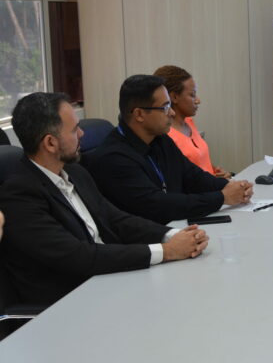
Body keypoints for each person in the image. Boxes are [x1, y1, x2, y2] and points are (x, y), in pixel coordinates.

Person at [0, 93, 209, 306]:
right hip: (72, 302)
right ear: (50, 143)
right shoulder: (19, 196)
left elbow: (116, 219)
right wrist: (167, 251)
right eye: (74, 129)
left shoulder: (75, 172)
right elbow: (79, 257)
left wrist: (173, 235)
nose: (81, 133)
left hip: (111, 281)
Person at [88, 75, 253, 224]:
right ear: (139, 114)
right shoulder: (114, 158)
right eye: (165, 107)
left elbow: (192, 175)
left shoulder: (159, 138)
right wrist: (222, 197)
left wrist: (232, 187)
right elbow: (158, 205)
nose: (172, 113)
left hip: (176, 225)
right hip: (149, 237)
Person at [153, 65, 232, 179]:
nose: (198, 100)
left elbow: (199, 163)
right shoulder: (166, 136)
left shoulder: (189, 122)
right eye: (192, 95)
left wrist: (217, 171)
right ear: (174, 97)